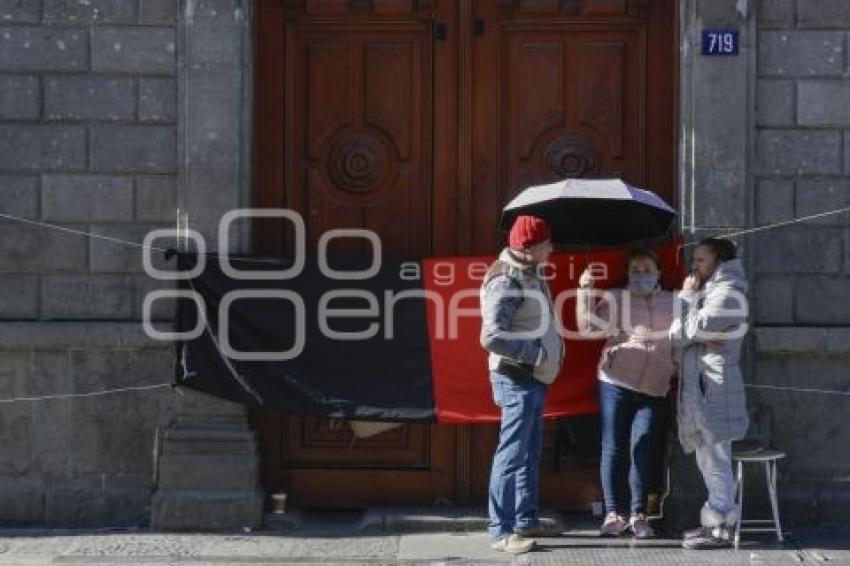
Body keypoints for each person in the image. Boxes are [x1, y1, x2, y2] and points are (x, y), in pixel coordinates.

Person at [576, 248, 676, 539]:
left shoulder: (675, 302)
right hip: (615, 381)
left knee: (643, 448)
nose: (641, 274)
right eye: (635, 269)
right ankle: (613, 513)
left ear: (659, 273)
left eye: (647, 269)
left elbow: (684, 341)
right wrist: (584, 291)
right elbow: (588, 329)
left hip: (655, 387)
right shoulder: (616, 298)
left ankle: (638, 514)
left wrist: (674, 366)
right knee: (613, 447)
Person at [479, 215, 565, 555]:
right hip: (516, 377)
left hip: (531, 378)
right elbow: (491, 336)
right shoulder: (506, 280)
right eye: (546, 243)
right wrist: (538, 355)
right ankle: (501, 532)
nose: (552, 248)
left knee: (528, 451)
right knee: (512, 453)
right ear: (529, 248)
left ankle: (525, 519)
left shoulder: (528, 272)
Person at [669, 237, 749, 550]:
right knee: (706, 455)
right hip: (703, 383)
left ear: (717, 258)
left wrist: (687, 299)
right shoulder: (712, 290)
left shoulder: (728, 291)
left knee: (716, 455)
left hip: (715, 385)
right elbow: (685, 334)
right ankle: (714, 521)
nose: (695, 267)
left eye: (701, 260)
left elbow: (681, 332)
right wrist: (694, 332)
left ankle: (722, 527)